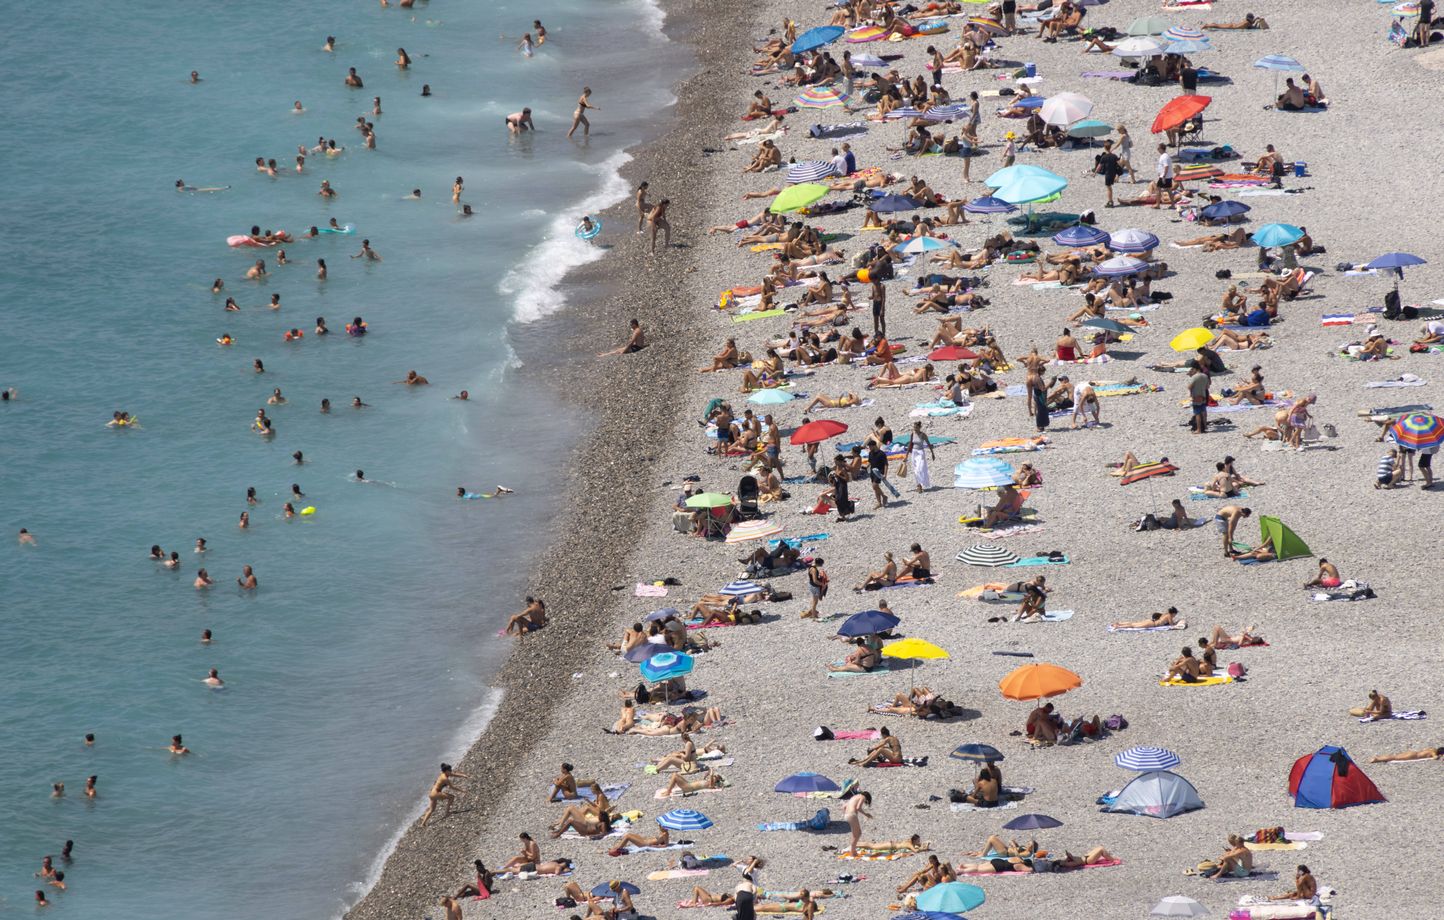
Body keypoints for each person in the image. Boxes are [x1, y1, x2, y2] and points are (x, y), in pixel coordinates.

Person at [842, 790, 872, 856]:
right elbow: (858, 807)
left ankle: (852, 850)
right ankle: (853, 852)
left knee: (854, 834)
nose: (865, 802)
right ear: (867, 798)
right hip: (852, 815)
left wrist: (846, 813)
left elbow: (844, 806)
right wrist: (866, 814)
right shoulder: (862, 797)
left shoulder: (854, 797)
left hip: (847, 815)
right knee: (858, 834)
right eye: (866, 802)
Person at [1371, 746, 1444, 763]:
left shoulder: (1432, 748)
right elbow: (1435, 757)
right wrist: (1439, 757)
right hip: (1413, 756)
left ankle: (1378, 758)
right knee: (1394, 758)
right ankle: (1377, 759)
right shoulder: (1433, 752)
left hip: (1413, 753)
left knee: (1395, 756)